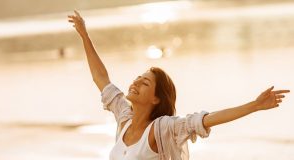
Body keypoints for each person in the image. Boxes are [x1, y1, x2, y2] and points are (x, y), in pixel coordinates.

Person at [67, 10, 290, 160]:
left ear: (156, 98)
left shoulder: (162, 128)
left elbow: (205, 120)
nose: (135, 83)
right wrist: (84, 36)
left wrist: (254, 105)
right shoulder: (124, 118)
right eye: (138, 78)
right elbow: (101, 79)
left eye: (145, 83)